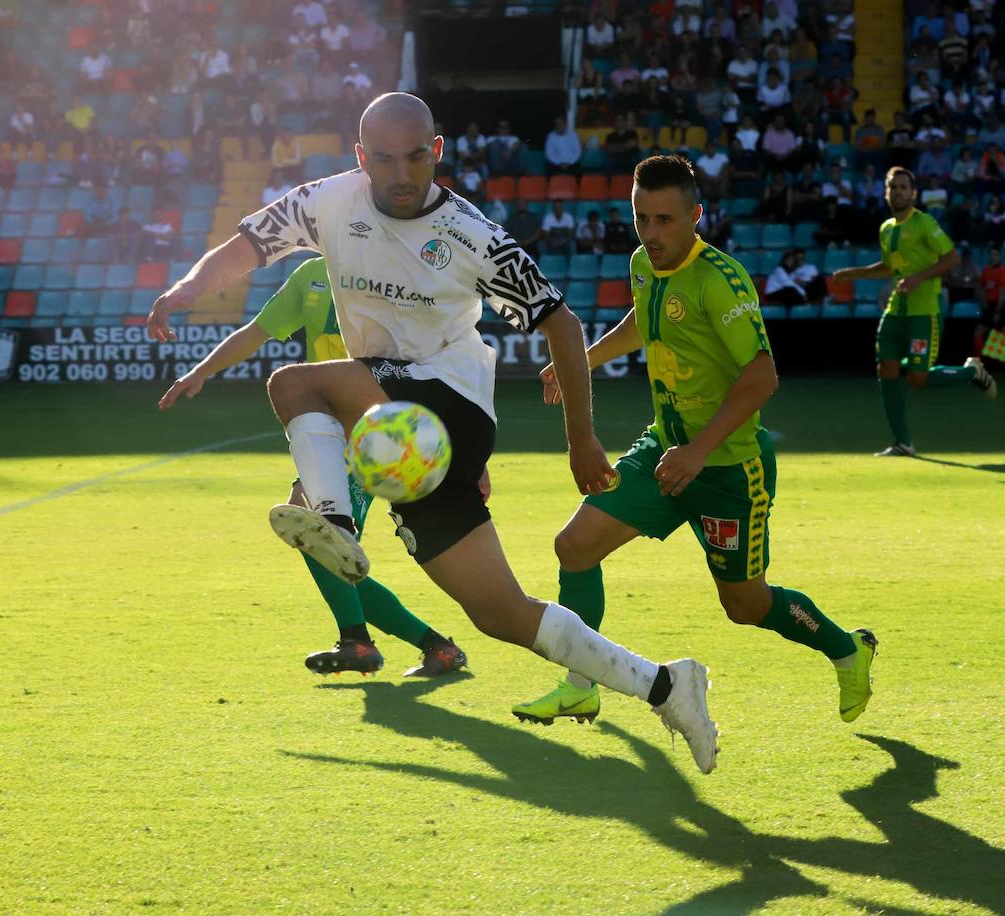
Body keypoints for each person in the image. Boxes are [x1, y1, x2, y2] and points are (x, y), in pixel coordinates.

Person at [145, 92, 719, 774]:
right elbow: (247, 248)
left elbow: (560, 325)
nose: (401, 173)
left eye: (416, 156)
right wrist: (186, 286)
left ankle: (333, 522)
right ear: (361, 159)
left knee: (297, 384)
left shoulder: (472, 235)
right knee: (500, 612)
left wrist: (581, 439)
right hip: (401, 427)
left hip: (454, 405)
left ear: (436, 151)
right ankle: (666, 684)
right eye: (383, 158)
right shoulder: (327, 201)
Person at [511, 154, 876, 731]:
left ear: (695, 216)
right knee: (575, 546)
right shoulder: (642, 264)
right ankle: (580, 686)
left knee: (746, 606)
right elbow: (643, 321)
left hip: (727, 468)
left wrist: (700, 451)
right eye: (641, 219)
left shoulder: (720, 279)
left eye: (664, 221)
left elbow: (762, 376)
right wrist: (581, 360)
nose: (651, 234)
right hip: (665, 451)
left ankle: (848, 649)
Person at [159, 256, 470, 677]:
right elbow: (257, 331)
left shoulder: (399, 269)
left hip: (377, 436)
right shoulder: (311, 274)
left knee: (317, 530)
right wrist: (201, 371)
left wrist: (467, 449)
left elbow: (440, 360)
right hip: (324, 432)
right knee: (315, 534)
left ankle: (372, 642)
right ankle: (396, 644)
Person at [831, 167, 997, 457]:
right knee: (887, 369)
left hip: (924, 310)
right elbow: (889, 268)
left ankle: (972, 371)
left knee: (917, 379)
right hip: (897, 308)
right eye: (893, 187)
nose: (898, 192)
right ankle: (903, 442)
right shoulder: (887, 229)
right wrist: (855, 273)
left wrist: (920, 277)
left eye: (904, 187)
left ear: (914, 193)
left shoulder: (924, 224)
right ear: (886, 192)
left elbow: (952, 259)